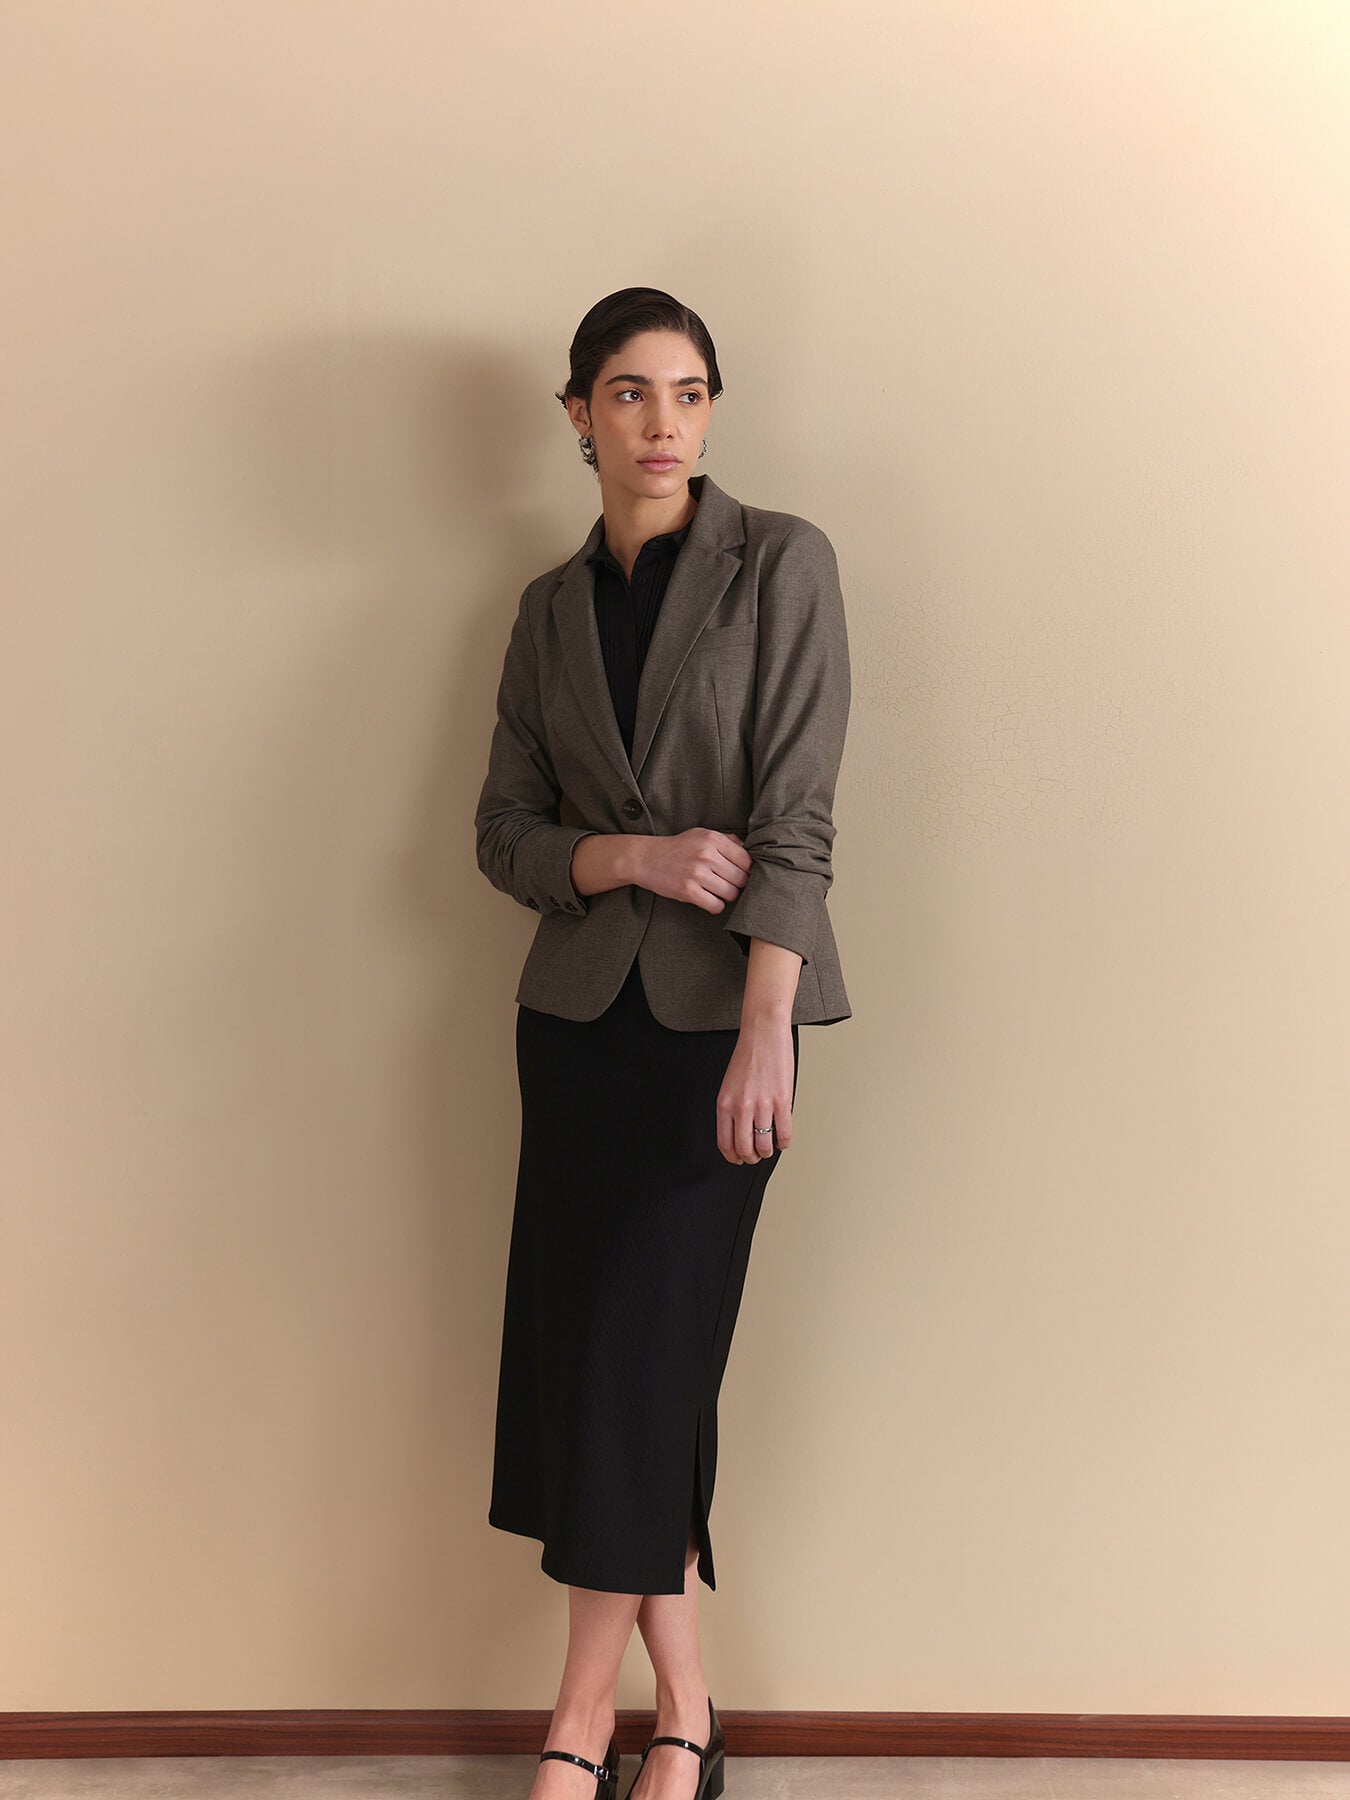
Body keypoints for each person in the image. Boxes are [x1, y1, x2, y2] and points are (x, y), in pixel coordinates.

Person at [474, 287, 852, 1800]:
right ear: (578, 414)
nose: (661, 424)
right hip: (575, 1031)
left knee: (639, 1355)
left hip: (720, 1030)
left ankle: (577, 1720)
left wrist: (768, 1032)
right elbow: (503, 833)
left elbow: (797, 815)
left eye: (688, 393)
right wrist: (628, 857)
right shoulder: (545, 611)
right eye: (628, 393)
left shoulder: (783, 563)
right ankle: (685, 1710)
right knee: (620, 1369)